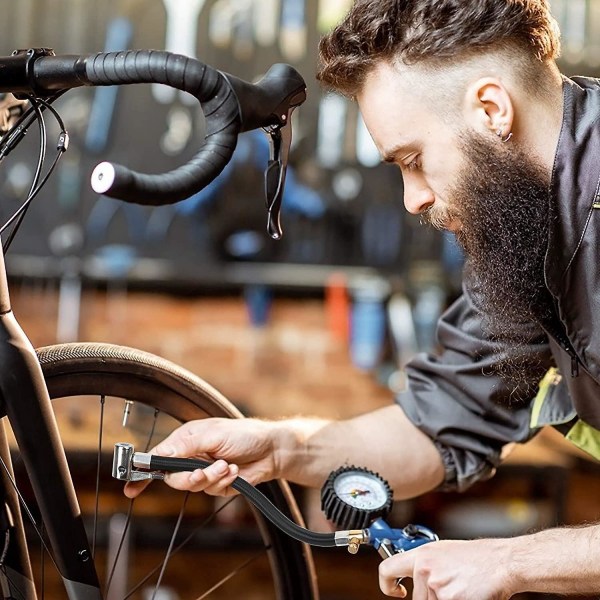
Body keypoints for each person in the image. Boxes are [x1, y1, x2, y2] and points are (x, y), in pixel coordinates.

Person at [126, 1, 600, 597]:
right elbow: (444, 419)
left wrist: (514, 560)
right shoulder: (530, 228)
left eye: (414, 161)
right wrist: (281, 448)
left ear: (490, 110)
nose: (412, 200)